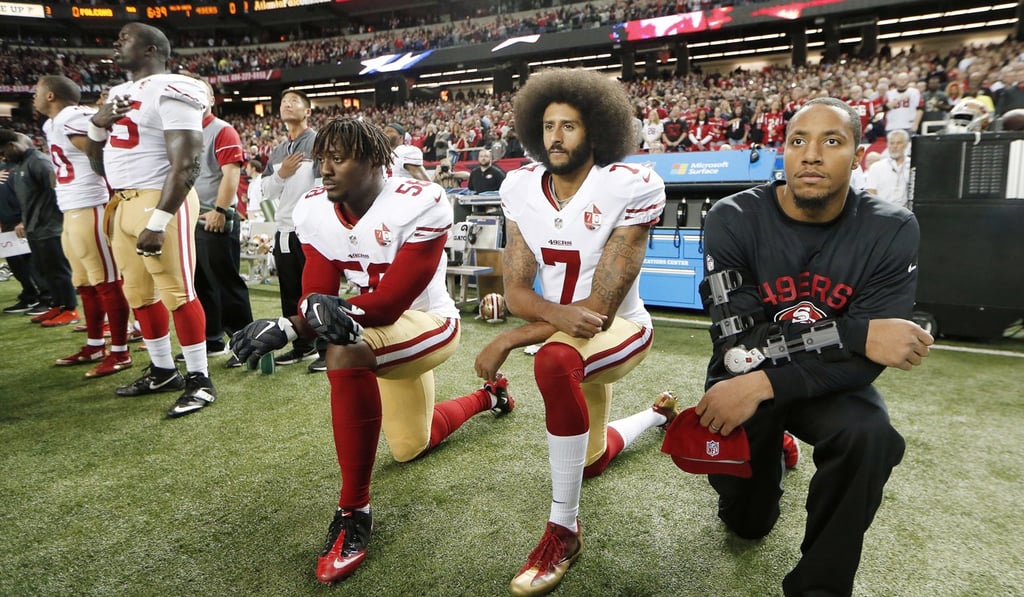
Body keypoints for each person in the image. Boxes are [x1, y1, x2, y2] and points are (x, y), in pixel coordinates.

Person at [229, 117, 515, 584]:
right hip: (377, 329)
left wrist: (294, 325)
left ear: (375, 160)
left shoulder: (419, 202)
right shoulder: (316, 210)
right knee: (410, 446)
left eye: (337, 158)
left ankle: (353, 512)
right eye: (323, 159)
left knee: (344, 349)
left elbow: (388, 305)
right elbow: (316, 292)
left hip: (428, 323)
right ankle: (490, 396)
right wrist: (299, 318)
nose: (325, 170)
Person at [694, 97, 933, 596]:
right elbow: (740, 346)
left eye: (831, 141)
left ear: (858, 154)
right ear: (782, 152)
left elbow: (867, 365)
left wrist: (767, 380)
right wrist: (854, 332)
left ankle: (820, 586)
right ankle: (772, 455)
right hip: (745, 380)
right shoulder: (731, 218)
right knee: (748, 525)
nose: (811, 155)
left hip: (811, 383)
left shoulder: (891, 229)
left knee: (870, 435)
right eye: (798, 141)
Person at [473, 68, 670, 596]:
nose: (556, 136)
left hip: (621, 326)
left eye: (570, 125)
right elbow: (514, 289)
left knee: (552, 362)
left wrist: (512, 336)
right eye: (548, 124)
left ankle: (564, 529)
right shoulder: (519, 187)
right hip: (566, 329)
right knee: (591, 462)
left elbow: (598, 311)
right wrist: (547, 318)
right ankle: (657, 414)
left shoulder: (628, 185)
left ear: (597, 131)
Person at [84, 23, 216, 417]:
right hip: (121, 201)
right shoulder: (119, 94)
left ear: (151, 49)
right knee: (138, 294)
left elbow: (188, 161)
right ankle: (162, 370)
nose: (115, 43)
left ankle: (199, 379)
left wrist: (159, 219)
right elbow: (97, 163)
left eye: (125, 38)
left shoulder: (174, 86)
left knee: (178, 291)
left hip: (158, 200)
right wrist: (97, 123)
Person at [34, 75, 133, 377]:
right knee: (85, 283)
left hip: (91, 206)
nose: (33, 97)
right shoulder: (52, 123)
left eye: (37, 92)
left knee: (106, 281)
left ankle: (120, 351)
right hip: (71, 209)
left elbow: (97, 151)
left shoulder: (71, 117)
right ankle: (94, 344)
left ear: (51, 95)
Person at [183, 79, 253, 369]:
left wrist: (221, 210)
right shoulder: (182, 132)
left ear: (211, 98)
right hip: (191, 217)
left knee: (225, 281)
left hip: (215, 214)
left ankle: (244, 343)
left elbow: (230, 174)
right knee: (200, 282)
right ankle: (212, 339)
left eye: (199, 93)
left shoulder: (221, 129)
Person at [262, 88, 322, 370]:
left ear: (307, 110)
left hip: (311, 229)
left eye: (293, 102)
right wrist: (281, 173)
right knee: (290, 292)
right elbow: (265, 191)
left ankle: (326, 348)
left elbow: (324, 185)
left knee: (317, 291)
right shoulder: (277, 151)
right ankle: (302, 346)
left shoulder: (319, 142)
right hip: (284, 229)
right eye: (283, 102)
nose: (286, 105)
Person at [0, 130, 80, 328]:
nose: (3, 157)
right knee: (46, 271)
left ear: (12, 145)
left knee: (59, 270)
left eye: (3, 152)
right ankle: (58, 305)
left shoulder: (39, 161)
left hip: (50, 226)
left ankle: (71, 308)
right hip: (35, 227)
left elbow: (57, 191)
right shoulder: (21, 164)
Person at [0, 161, 48, 314]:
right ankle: (30, 295)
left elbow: (29, 197)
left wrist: (24, 220)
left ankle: (47, 298)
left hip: (21, 221)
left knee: (32, 262)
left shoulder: (10, 171)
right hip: (7, 222)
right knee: (16, 264)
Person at [866, 129, 911, 208]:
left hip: (907, 214)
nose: (894, 146)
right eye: (891, 143)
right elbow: (871, 194)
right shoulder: (876, 167)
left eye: (899, 143)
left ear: (906, 144)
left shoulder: (912, 166)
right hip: (882, 213)